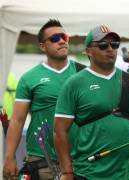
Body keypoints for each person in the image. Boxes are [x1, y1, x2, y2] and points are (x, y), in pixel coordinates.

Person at [54, 25, 129, 180]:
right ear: (88, 51)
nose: (110, 49)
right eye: (103, 45)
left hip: (128, 172)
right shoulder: (75, 83)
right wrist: (66, 172)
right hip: (89, 172)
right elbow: (59, 131)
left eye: (114, 45)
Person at [3, 19, 82, 180]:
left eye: (64, 37)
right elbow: (18, 120)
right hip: (42, 160)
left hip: (80, 160)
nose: (61, 41)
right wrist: (9, 157)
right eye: (54, 38)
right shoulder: (29, 78)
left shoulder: (83, 74)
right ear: (42, 46)